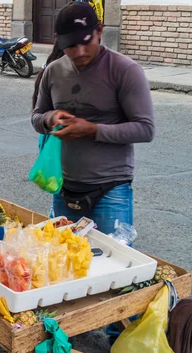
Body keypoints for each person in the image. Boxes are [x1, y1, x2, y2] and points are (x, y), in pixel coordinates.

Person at [31, 1, 155, 235]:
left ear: (99, 30)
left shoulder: (125, 71)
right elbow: (37, 117)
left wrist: (91, 129)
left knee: (112, 265)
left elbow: (145, 129)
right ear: (58, 39)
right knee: (64, 264)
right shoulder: (53, 71)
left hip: (111, 189)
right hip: (63, 187)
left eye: (86, 41)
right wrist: (50, 117)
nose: (79, 52)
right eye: (70, 45)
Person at [31, 41, 64, 152]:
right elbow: (37, 116)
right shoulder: (54, 73)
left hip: (48, 140)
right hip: (55, 142)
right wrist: (51, 117)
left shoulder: (47, 69)